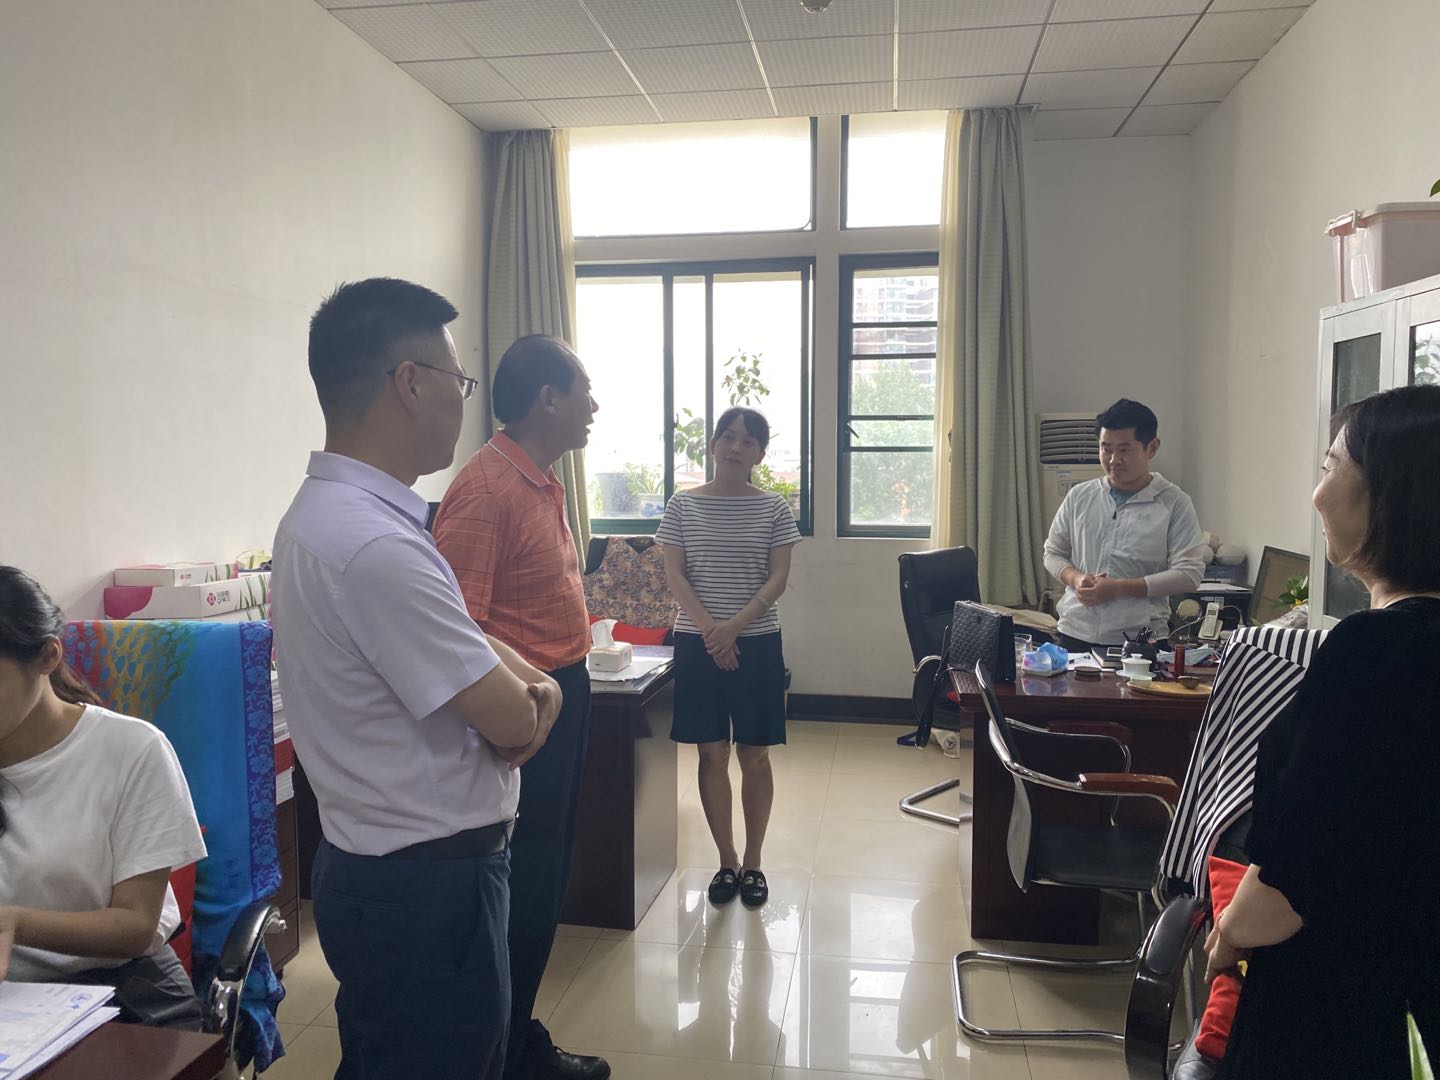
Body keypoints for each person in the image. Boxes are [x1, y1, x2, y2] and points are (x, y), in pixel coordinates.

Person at [271, 278, 562, 1080]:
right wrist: (540, 694)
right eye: (458, 382)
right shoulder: (375, 545)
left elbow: (459, 636)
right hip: (427, 887)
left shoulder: (328, 515)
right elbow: (512, 720)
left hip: (383, 868)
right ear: (409, 382)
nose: (462, 402)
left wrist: (537, 684)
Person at [1203, 384, 1440, 1078]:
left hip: (1348, 1007)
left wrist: (1226, 936)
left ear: (1388, 497)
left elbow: (1296, 875)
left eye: (1331, 466)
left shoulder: (1378, 652)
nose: (1317, 493)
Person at [432, 334, 609, 1080]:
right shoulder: (487, 490)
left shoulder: (537, 479)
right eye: (584, 390)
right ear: (548, 398)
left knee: (542, 882)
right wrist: (524, 707)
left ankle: (515, 1036)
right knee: (519, 891)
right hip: (523, 716)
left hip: (562, 694)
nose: (594, 405)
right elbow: (453, 630)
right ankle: (498, 1053)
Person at [0, 566, 207, 1028]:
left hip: (119, 992)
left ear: (47, 656)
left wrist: (15, 923)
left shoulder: (131, 750)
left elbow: (135, 925)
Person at [657, 407, 801, 909]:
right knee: (711, 753)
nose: (736, 447)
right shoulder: (682, 504)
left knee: (754, 754)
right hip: (698, 642)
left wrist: (733, 628)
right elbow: (675, 575)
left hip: (756, 641)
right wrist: (711, 631)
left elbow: (778, 578)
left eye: (748, 441)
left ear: (760, 454)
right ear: (713, 444)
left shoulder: (774, 508)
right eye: (728, 436)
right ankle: (726, 860)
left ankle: (754, 862)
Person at [1043, 398, 1206, 652]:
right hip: (1075, 632)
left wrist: (1118, 588)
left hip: (1142, 640)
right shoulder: (1080, 496)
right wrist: (1076, 579)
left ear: (1152, 448)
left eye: (1124, 450)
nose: (1113, 460)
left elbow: (1189, 574)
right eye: (1106, 449)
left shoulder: (1174, 502)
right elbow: (1053, 553)